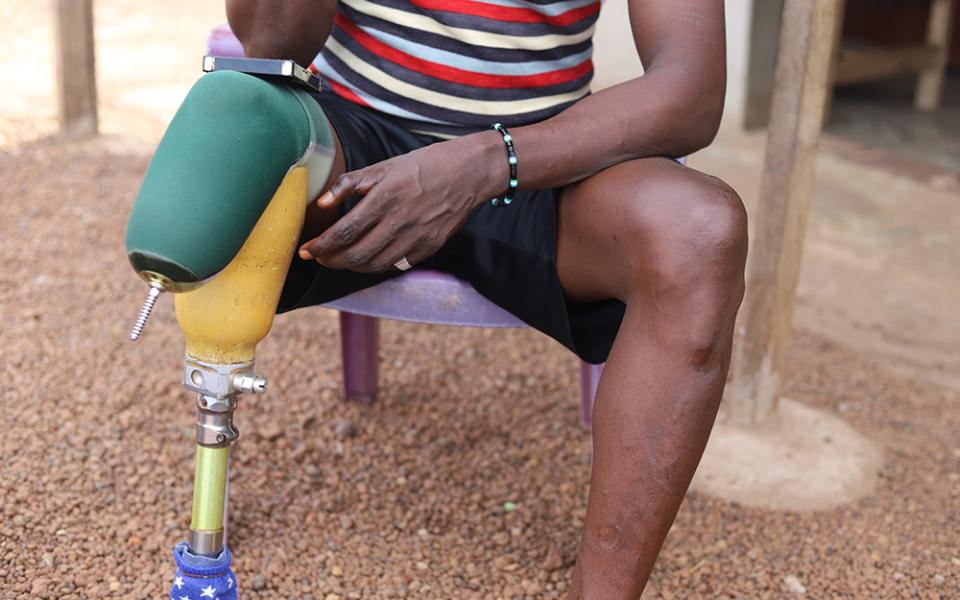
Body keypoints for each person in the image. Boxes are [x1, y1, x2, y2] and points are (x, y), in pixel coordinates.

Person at [227, 1, 747, 597]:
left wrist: (486, 161)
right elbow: (272, 45)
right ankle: (204, 533)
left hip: (542, 159)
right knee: (227, 164)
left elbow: (693, 91)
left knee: (698, 236)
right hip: (354, 141)